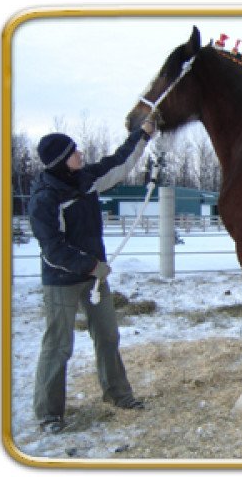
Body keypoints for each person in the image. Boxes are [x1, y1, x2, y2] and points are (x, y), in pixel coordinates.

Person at [28, 118, 156, 433]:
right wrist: (91, 266)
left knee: (108, 336)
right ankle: (49, 413)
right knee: (58, 345)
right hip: (62, 282)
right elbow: (53, 249)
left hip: (94, 278)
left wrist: (143, 135)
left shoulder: (84, 180)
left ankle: (117, 394)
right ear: (61, 160)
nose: (80, 154)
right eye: (74, 152)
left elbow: (118, 163)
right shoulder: (45, 198)